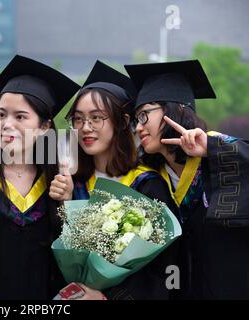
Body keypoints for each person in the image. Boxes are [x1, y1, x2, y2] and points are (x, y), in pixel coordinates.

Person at [49, 61, 178, 300]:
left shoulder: (147, 184)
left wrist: (106, 298)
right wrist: (65, 205)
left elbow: (163, 271)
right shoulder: (72, 184)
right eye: (78, 119)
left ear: (121, 121)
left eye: (96, 118)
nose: (85, 127)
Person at [125, 59, 249, 299]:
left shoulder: (220, 153)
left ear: (176, 110)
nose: (138, 128)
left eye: (144, 116)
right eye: (135, 120)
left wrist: (212, 148)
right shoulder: (150, 180)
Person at [0, 55, 80, 299]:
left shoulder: (58, 182)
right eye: (1, 114)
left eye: (20, 117)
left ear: (44, 126)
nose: (6, 124)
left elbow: (71, 261)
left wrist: (68, 205)